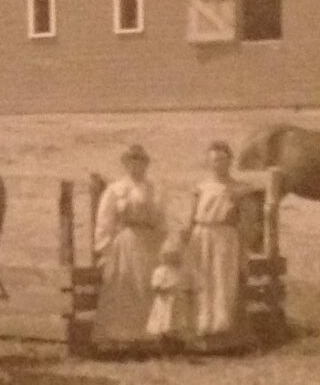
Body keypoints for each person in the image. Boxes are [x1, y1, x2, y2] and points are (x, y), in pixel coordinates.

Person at [175, 141, 251, 350]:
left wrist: (243, 244)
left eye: (223, 160)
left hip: (225, 237)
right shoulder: (201, 187)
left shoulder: (238, 188)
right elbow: (191, 216)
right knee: (202, 281)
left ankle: (221, 332)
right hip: (202, 235)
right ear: (209, 163)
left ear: (230, 161)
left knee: (222, 281)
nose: (219, 164)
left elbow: (245, 220)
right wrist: (186, 235)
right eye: (215, 160)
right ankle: (201, 330)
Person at [91, 145, 168, 350]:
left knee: (147, 286)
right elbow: (104, 221)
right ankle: (120, 338)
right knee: (125, 286)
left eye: (141, 162)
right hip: (125, 243)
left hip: (149, 242)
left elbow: (161, 220)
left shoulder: (153, 189)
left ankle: (147, 339)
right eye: (132, 162)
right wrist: (104, 249)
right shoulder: (115, 189)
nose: (137, 166)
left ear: (146, 164)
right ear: (125, 164)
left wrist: (163, 244)